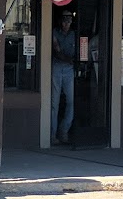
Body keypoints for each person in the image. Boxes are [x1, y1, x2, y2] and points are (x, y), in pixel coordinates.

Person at [51, 9, 76, 145]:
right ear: (60, 21)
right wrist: (69, 59)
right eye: (64, 19)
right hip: (56, 67)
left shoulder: (74, 35)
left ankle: (64, 130)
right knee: (54, 103)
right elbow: (57, 51)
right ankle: (52, 134)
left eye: (69, 19)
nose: (66, 22)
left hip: (69, 70)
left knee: (71, 102)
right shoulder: (54, 32)